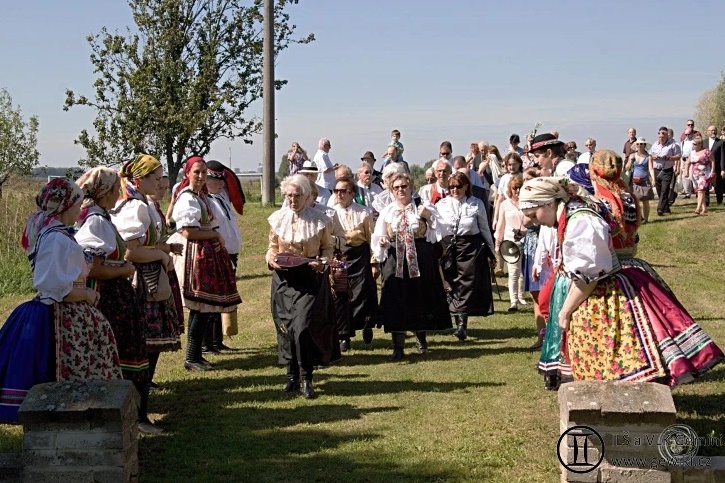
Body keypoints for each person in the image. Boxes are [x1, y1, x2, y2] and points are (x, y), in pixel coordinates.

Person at [520, 176, 723, 390]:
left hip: (607, 292)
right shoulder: (572, 214)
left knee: (620, 350)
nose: (535, 222)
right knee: (605, 354)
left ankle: (628, 402)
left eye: (534, 215)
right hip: (598, 289)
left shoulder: (581, 221)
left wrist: (565, 311)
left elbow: (588, 277)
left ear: (549, 202)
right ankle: (613, 400)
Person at [0, 178, 122, 422]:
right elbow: (58, 290)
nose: (80, 207)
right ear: (66, 205)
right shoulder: (56, 238)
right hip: (59, 315)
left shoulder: (57, 234)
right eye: (77, 202)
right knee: (59, 369)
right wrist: (87, 294)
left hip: (66, 311)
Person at [75, 168, 161, 434]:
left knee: (128, 354)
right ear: (107, 192)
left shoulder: (101, 217)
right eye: (115, 188)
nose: (119, 192)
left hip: (114, 296)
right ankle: (133, 419)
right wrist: (124, 270)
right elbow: (95, 267)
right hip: (107, 298)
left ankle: (131, 417)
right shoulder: (96, 221)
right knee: (124, 354)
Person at [265, 174, 340, 398]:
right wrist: (270, 259)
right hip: (284, 281)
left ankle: (307, 377)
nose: (293, 200)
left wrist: (323, 263)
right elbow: (272, 248)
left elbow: (327, 248)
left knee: (303, 326)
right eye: (289, 195)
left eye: (297, 195)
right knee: (286, 327)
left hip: (309, 278)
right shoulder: (277, 219)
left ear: (307, 196)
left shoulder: (320, 220)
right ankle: (291, 377)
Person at [111, 155, 183, 386]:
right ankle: (138, 390)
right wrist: (162, 255)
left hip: (149, 276)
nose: (160, 183)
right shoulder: (135, 207)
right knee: (145, 339)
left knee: (151, 340)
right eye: (156, 178)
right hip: (142, 280)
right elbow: (130, 251)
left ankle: (143, 385)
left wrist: (164, 248)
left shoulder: (141, 203)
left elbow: (146, 243)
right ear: (140, 179)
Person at [171, 156, 242, 371]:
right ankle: (192, 356)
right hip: (196, 256)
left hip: (206, 253)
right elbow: (187, 230)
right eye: (197, 173)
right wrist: (214, 234)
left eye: (203, 173)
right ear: (187, 174)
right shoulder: (187, 198)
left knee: (205, 308)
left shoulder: (199, 196)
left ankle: (196, 355)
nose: (201, 177)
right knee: (199, 307)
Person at [372, 172, 451, 360]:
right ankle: (397, 346)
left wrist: (429, 217)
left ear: (411, 187)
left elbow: (440, 231)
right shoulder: (388, 211)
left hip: (420, 257)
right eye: (396, 187)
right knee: (396, 298)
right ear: (391, 190)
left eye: (404, 186)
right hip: (396, 259)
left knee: (419, 297)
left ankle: (421, 339)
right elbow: (377, 236)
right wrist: (382, 242)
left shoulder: (422, 207)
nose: (401, 190)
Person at [436, 172, 495, 340]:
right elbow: (436, 228)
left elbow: (484, 228)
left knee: (466, 284)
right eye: (452, 187)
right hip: (448, 247)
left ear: (466, 186)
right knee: (451, 282)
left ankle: (462, 324)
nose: (455, 190)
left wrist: (491, 251)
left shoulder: (476, 203)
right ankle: (456, 318)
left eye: (458, 186)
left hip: (470, 247)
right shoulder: (441, 204)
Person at [331, 177, 379, 347]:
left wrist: (374, 262)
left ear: (352, 193)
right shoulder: (331, 213)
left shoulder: (364, 212)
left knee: (363, 292)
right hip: (341, 257)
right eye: (336, 191)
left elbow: (372, 237)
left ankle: (366, 325)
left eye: (343, 191)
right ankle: (344, 334)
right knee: (341, 294)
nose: (339, 194)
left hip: (360, 256)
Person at [203, 160, 245, 351]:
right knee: (213, 299)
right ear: (206, 180)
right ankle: (208, 343)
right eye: (216, 180)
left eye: (222, 181)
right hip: (218, 253)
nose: (221, 184)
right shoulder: (206, 201)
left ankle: (217, 340)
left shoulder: (222, 197)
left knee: (223, 299)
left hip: (230, 254)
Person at [495, 176, 527, 312]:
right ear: (510, 189)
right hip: (510, 241)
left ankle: (521, 296)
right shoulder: (504, 204)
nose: (517, 191)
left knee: (523, 272)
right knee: (513, 272)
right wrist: (498, 242)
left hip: (526, 241)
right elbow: (500, 225)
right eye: (515, 188)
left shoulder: (527, 203)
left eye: (520, 187)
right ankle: (513, 301)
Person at [650, 126, 681, 216]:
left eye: (663, 136)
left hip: (667, 170)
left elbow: (678, 156)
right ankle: (666, 208)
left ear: (667, 135)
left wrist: (669, 157)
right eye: (660, 136)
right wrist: (654, 156)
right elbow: (650, 155)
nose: (661, 138)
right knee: (659, 190)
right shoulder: (655, 145)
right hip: (657, 169)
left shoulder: (673, 145)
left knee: (665, 190)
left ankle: (660, 209)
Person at [625, 137, 654, 223]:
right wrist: (630, 161)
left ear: (644, 145)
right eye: (637, 144)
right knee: (636, 201)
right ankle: (639, 218)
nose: (639, 145)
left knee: (645, 201)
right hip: (634, 182)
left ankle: (646, 219)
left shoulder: (648, 157)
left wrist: (653, 179)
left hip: (644, 181)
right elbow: (627, 168)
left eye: (641, 144)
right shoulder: (632, 156)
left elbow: (651, 169)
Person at [688, 136, 715, 215]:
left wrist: (712, 171)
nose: (694, 145)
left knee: (701, 190)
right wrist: (686, 171)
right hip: (695, 175)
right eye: (693, 144)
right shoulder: (692, 152)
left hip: (705, 173)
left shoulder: (706, 151)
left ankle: (698, 208)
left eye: (695, 144)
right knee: (699, 191)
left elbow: (712, 161)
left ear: (700, 144)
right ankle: (704, 209)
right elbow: (688, 162)